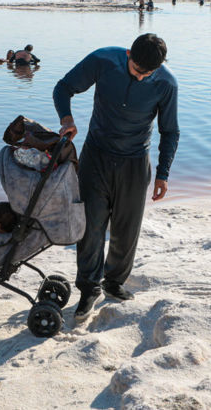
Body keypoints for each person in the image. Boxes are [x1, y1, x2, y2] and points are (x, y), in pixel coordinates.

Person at [53, 34, 179, 320]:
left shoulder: (166, 83)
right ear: (128, 54)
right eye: (136, 70)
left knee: (126, 229)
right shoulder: (103, 60)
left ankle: (114, 283)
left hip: (135, 162)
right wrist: (67, 119)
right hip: (96, 155)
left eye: (147, 74)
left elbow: (170, 131)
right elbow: (63, 88)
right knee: (90, 226)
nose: (140, 77)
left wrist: (163, 174)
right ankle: (88, 288)